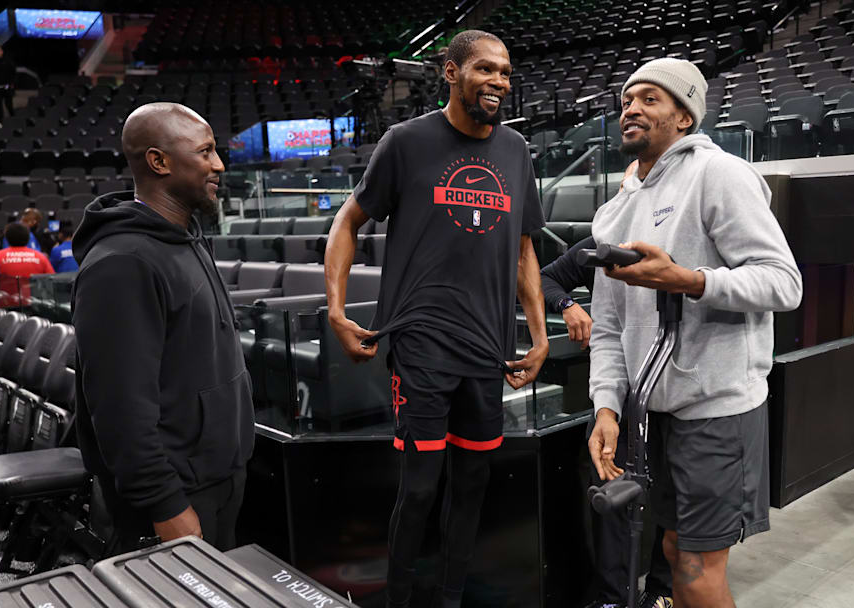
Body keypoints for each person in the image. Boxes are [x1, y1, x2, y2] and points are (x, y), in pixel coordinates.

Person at [324, 30, 548, 608]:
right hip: (421, 345)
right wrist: (335, 309)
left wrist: (540, 333)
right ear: (450, 72)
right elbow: (347, 223)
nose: (498, 80)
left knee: (472, 485)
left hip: (488, 346)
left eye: (504, 70)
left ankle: (449, 600)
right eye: (485, 69)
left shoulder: (517, 151)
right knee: (420, 490)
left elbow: (525, 250)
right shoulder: (406, 141)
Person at [587, 58, 802, 608]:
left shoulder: (719, 174)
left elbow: (783, 283)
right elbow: (609, 327)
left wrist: (688, 280)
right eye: (626, 100)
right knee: (674, 547)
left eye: (650, 99)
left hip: (718, 408)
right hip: (649, 414)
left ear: (685, 118)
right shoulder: (613, 212)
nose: (631, 108)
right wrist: (607, 407)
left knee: (696, 568)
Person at [71, 102, 252, 554]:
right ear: (159, 161)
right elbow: (118, 408)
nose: (218, 164)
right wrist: (165, 504)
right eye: (206, 152)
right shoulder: (122, 264)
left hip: (216, 477)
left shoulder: (186, 236)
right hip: (175, 498)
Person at [541, 236, 674, 608]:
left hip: (675, 387)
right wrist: (568, 305)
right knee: (609, 488)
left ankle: (662, 590)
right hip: (619, 391)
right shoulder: (604, 242)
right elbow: (544, 278)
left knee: (670, 489)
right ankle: (613, 598)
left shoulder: (677, 236)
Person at [0, 222, 54, 308]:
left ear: (7, 238)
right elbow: (51, 281)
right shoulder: (40, 257)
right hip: (35, 307)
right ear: (28, 238)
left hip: (7, 309)